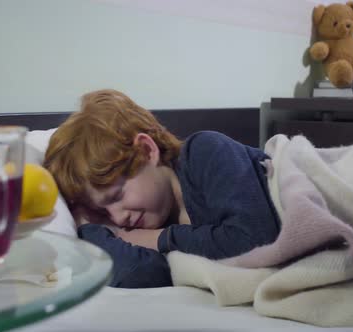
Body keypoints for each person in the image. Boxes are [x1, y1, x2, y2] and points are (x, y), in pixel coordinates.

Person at [43, 89, 280, 288]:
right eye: (104, 212)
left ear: (147, 151)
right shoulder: (153, 220)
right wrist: (88, 226)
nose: (118, 217)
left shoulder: (205, 152)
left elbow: (256, 238)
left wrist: (159, 238)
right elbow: (142, 273)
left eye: (117, 196)